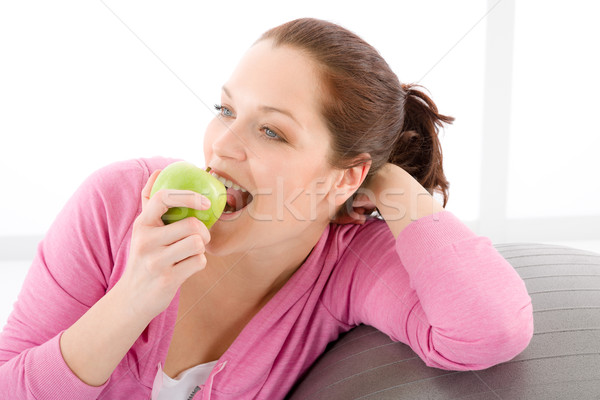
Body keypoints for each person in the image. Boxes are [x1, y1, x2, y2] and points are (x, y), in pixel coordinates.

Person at [0, 18, 533, 400]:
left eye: (272, 131)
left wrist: (390, 184)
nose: (222, 147)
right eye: (225, 109)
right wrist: (133, 298)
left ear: (345, 176)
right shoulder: (119, 203)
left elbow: (489, 330)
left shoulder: (348, 264)